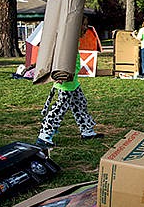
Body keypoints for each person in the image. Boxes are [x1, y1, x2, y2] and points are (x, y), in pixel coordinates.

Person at [35, 17, 103, 148]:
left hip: (73, 82)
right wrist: (57, 72)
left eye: (86, 24)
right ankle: (44, 136)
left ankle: (87, 131)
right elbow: (57, 55)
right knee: (59, 108)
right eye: (83, 25)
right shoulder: (66, 40)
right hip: (65, 83)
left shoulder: (73, 40)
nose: (85, 27)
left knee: (81, 105)